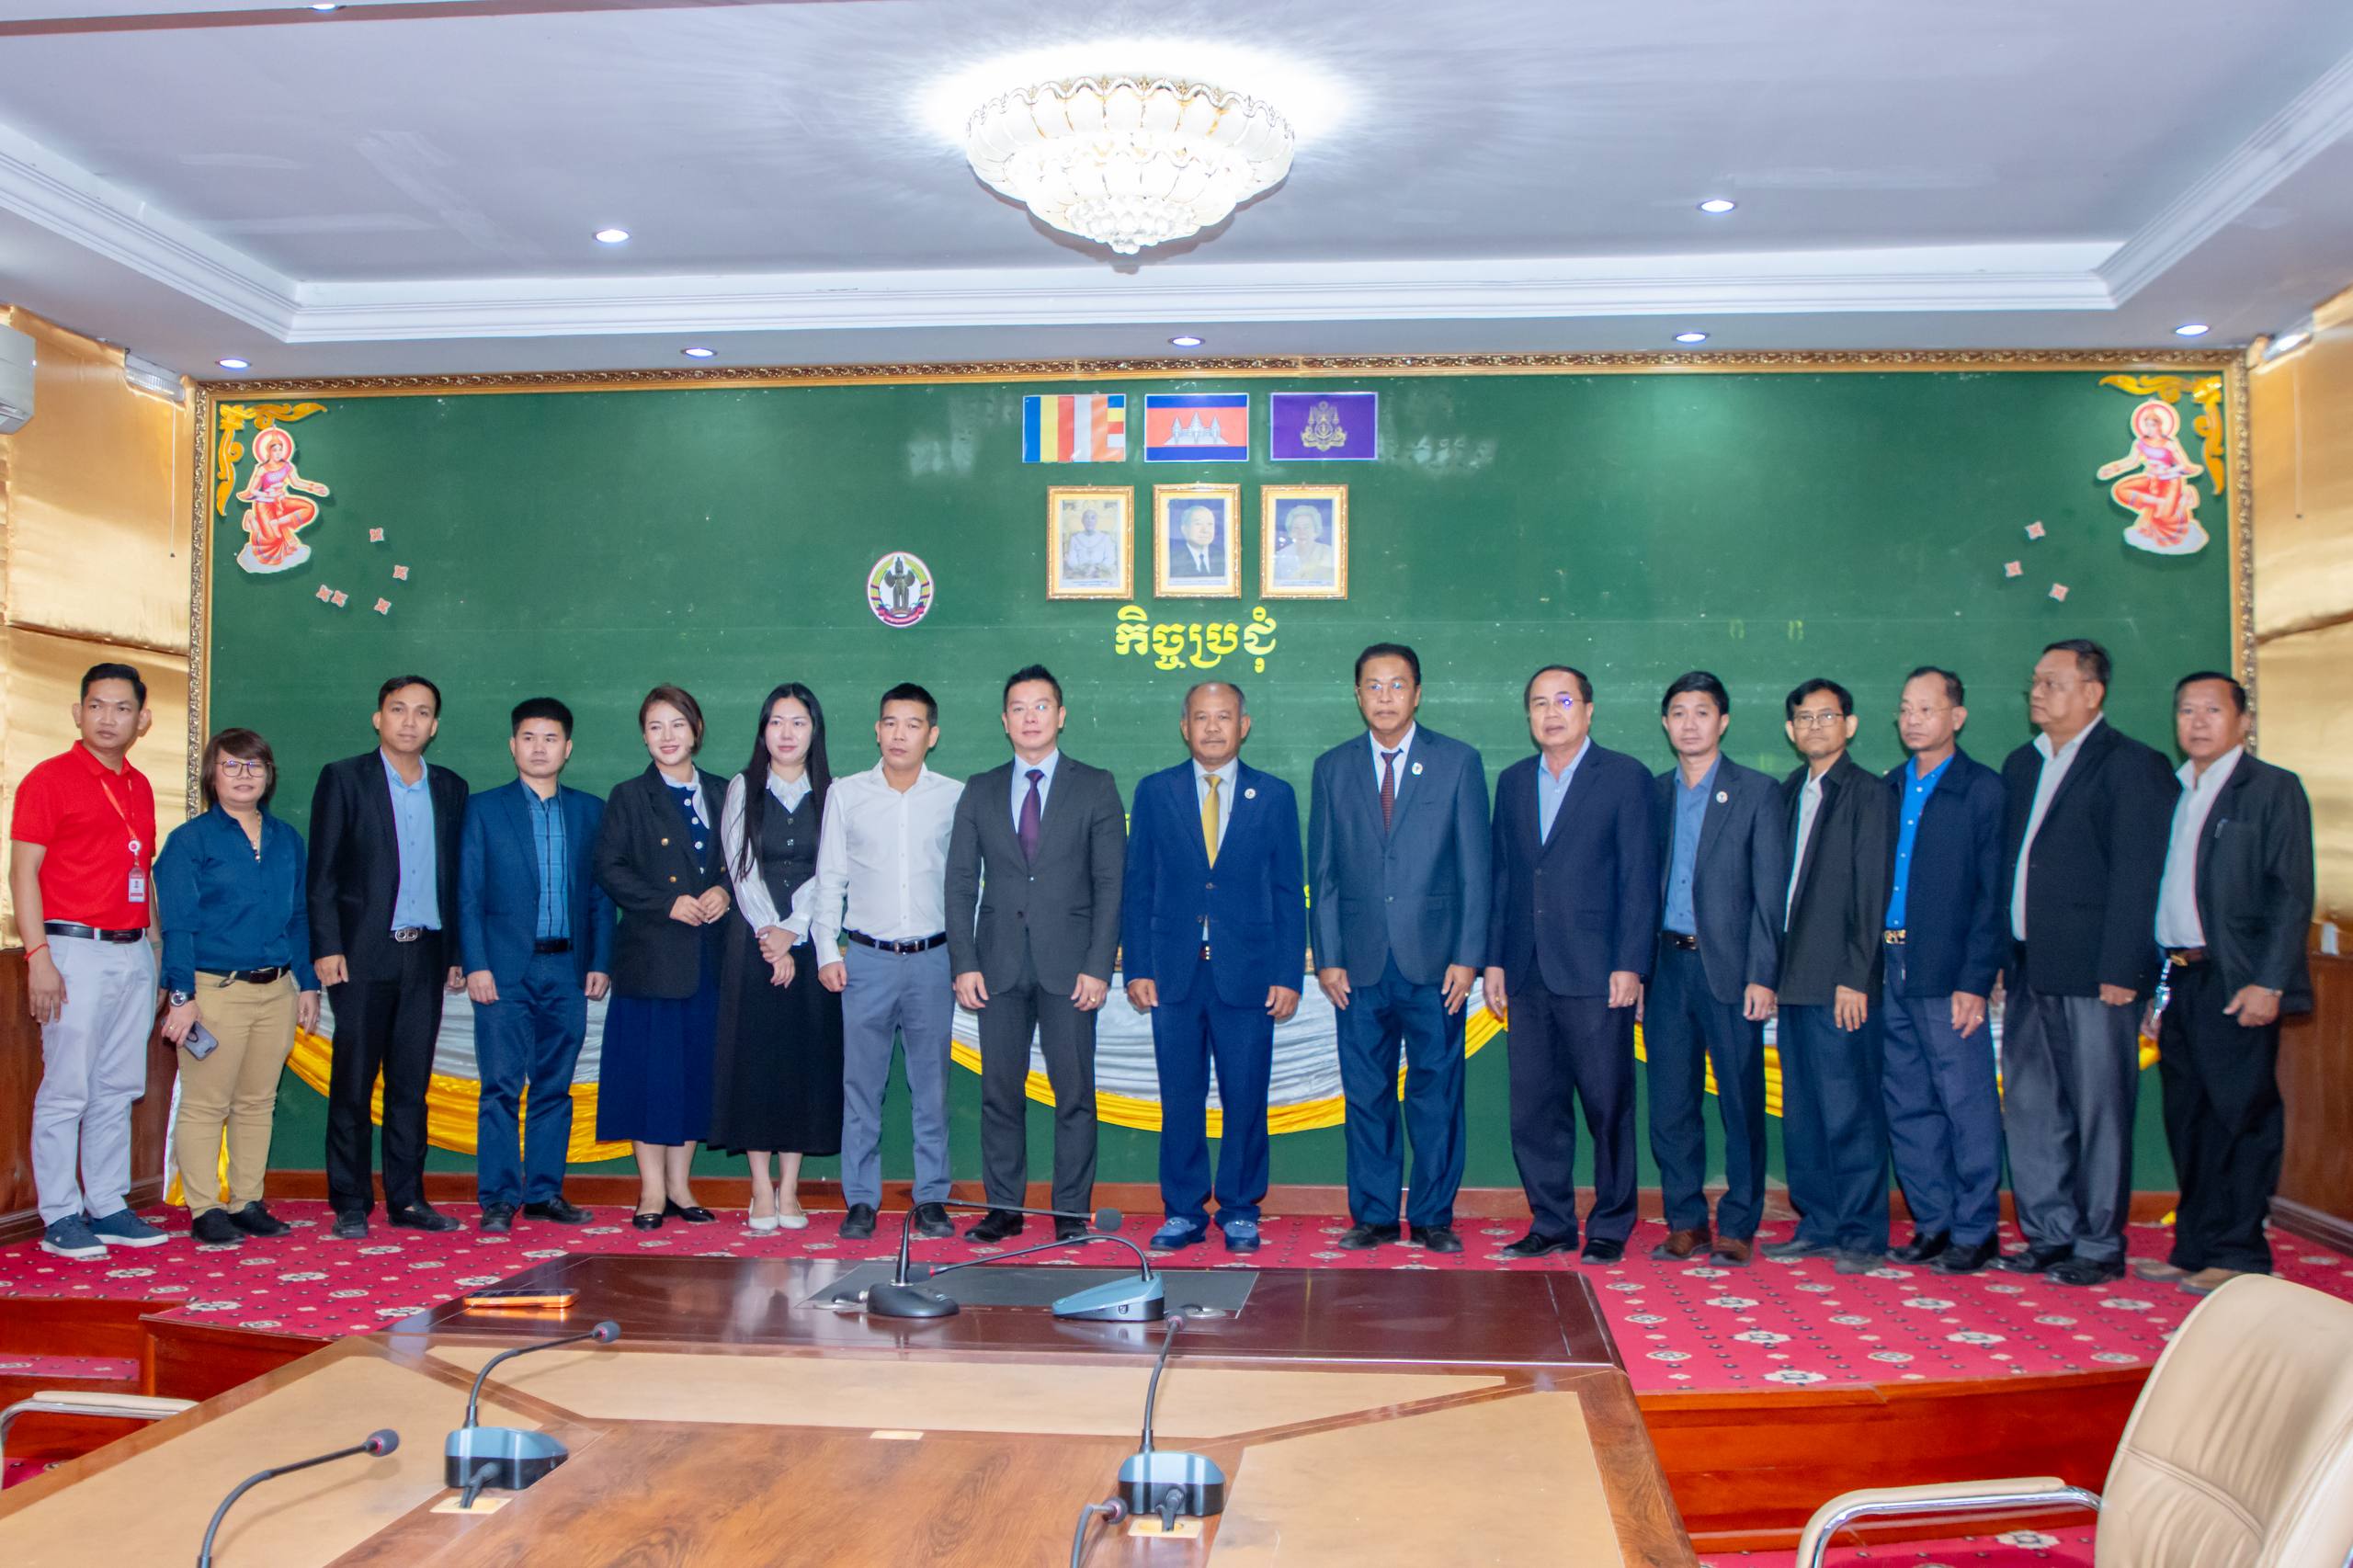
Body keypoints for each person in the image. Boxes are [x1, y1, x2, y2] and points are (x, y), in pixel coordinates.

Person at [1998, 639, 2175, 1286]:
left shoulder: (2133, 765)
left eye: (2053, 682)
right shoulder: (2023, 764)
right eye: (2036, 681)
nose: (2038, 692)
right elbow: (2008, 868)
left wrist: (2125, 969)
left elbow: (2139, 876)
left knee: (2100, 1109)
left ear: (2093, 693)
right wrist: (1998, 957)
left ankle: (2099, 1242)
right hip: (2028, 966)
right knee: (2032, 1106)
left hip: (2097, 975)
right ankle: (2050, 1233)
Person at [1308, 642, 1490, 1253]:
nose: (1385, 697)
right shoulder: (1333, 768)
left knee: (1437, 1093)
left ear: (1417, 693)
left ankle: (1434, 1215)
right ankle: (1376, 1215)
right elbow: (1324, 872)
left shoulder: (1457, 762)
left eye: (1397, 685)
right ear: (1357, 694)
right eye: (1373, 686)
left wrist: (1468, 956)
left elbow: (1475, 870)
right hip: (1357, 966)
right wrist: (1328, 956)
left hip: (1436, 964)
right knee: (1367, 1094)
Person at [2137, 672, 2313, 1295]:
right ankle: (2194, 1247)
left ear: (2243, 721)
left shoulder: (2270, 788)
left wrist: (2270, 982)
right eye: (2187, 710)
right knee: (2190, 1119)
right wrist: (2156, 986)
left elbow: (2291, 894)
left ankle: (2239, 1253)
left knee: (2241, 1118)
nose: (2197, 722)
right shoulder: (2178, 789)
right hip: (2181, 976)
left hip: (2237, 980)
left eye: (2212, 710)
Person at [1483, 665, 1658, 1263]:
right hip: (1526, 970)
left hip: (1597, 970)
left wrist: (1631, 963)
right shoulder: (1513, 782)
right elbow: (1503, 876)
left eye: (1563, 701)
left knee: (1608, 1104)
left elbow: (1639, 877)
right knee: (1535, 1108)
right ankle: (1551, 1221)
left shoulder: (1625, 777)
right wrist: (1494, 960)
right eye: (1539, 703)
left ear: (1588, 710)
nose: (1550, 713)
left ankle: (1611, 1223)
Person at [1122, 681, 1304, 1254]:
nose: (1212, 728)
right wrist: (1137, 966)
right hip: (1174, 974)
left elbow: (1287, 890)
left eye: (1223, 717)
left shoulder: (1274, 796)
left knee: (1245, 1096)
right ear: (1185, 727)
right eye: (1201, 718)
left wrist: (1287, 975)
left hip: (1248, 973)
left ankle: (1241, 1208)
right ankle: (1182, 1210)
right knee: (1180, 1097)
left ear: (1243, 725)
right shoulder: (1155, 792)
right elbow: (1138, 885)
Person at [948, 666, 1126, 1243]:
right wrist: (964, 961)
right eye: (1019, 709)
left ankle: (1070, 1211)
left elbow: (1111, 884)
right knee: (999, 1094)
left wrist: (1099, 966)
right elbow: (959, 883)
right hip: (996, 966)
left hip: (1071, 968)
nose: (1031, 718)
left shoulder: (1095, 785)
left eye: (1042, 706)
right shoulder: (980, 789)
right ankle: (1004, 1208)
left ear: (1061, 715)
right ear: (1005, 721)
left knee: (1074, 1095)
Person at [10, 664, 167, 1260]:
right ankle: (59, 1213)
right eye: (97, 706)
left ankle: (107, 1202)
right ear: (78, 712)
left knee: (118, 1085)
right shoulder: (48, 780)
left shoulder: (140, 786)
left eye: (122, 708)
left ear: (142, 720)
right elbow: (22, 873)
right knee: (67, 1087)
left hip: (132, 951)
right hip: (71, 948)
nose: (108, 718)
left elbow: (141, 871)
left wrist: (155, 952)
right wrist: (39, 958)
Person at [306, 676, 468, 1239]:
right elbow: (322, 874)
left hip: (426, 955)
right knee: (353, 1083)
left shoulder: (450, 787)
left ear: (434, 726)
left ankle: (408, 1199)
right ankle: (351, 1202)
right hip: (360, 956)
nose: (409, 721)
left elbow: (456, 877)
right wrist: (326, 946)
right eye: (398, 709)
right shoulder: (344, 778)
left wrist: (456, 951)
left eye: (422, 712)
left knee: (410, 1086)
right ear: (379, 718)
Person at [811, 683, 965, 1242]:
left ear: (932, 735)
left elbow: (968, 885)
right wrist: (826, 950)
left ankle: (931, 1199)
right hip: (866, 960)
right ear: (877, 731)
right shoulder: (846, 794)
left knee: (932, 1090)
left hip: (933, 959)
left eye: (913, 724)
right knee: (861, 1087)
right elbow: (830, 878)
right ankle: (860, 1199)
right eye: (891, 723)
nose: (900, 734)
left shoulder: (954, 797)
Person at [155, 730, 318, 1246]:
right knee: (206, 1104)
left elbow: (299, 917)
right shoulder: (190, 841)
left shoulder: (287, 839)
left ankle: (246, 1201)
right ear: (212, 774)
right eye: (231, 765)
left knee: (257, 1102)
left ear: (269, 775)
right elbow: (178, 925)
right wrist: (181, 997)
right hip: (214, 991)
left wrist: (308, 985)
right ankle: (205, 1208)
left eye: (254, 766)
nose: (244, 776)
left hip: (277, 989)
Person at [457, 699, 613, 1235]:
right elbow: (467, 894)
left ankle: (544, 1192)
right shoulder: (483, 809)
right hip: (502, 972)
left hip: (567, 968)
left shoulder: (589, 811)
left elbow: (599, 896)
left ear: (567, 749)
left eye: (550, 738)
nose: (539, 748)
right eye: (528, 737)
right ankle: (499, 1197)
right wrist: (475, 964)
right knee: (500, 1086)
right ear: (512, 745)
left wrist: (600, 960)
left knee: (554, 1085)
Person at [1646, 671, 1787, 1267]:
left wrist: (1763, 974)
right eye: (1679, 712)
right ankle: (1685, 1221)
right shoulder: (1653, 794)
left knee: (1739, 1102)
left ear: (1723, 721)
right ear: (1665, 723)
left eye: (1702, 712)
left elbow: (1770, 895)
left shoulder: (1757, 792)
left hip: (1730, 970)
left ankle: (1738, 1223)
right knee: (1671, 1104)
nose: (1690, 723)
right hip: (1666, 967)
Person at [1878, 667, 2009, 1274]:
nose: (1912, 720)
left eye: (1926, 709)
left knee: (1966, 1102)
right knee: (1908, 1103)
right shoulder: (1887, 787)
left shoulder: (1982, 790)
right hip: (1888, 964)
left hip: (1947, 969)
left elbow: (1992, 895)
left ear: (1957, 717)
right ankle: (1933, 1223)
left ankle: (1976, 1230)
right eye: (1906, 708)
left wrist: (1974, 980)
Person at [1764, 678, 1893, 1274]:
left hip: (1840, 983)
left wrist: (1856, 976)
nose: (1815, 727)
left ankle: (1862, 1234)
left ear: (1850, 724)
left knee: (1850, 1112)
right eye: (1804, 718)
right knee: (1806, 1114)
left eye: (1826, 716)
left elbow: (1872, 892)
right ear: (1790, 731)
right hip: (1792, 980)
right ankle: (1818, 1223)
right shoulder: (1788, 792)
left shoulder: (1868, 793)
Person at [593, 685, 731, 1231]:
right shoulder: (629, 796)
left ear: (696, 730)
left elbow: (744, 860)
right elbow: (610, 868)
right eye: (655, 727)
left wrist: (725, 890)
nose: (667, 736)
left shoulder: (725, 791)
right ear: (644, 737)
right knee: (649, 1077)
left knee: (694, 1074)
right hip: (651, 960)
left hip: (709, 961)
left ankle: (680, 1185)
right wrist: (665, 902)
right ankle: (651, 1190)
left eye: (677, 724)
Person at [710, 683, 844, 1233]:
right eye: (776, 722)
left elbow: (831, 871)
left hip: (812, 946)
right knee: (756, 1063)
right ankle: (760, 1188)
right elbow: (740, 867)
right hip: (751, 944)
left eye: (798, 723)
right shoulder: (744, 787)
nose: (786, 734)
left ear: (815, 731)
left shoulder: (833, 792)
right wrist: (770, 934)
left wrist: (793, 931)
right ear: (763, 730)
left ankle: (790, 1190)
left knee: (801, 1065)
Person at [1272, 506, 1336, 586]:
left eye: (1307, 527)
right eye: (1296, 528)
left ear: (1316, 529)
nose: (1302, 532)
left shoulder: (1330, 553)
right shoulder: (1281, 556)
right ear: (1290, 532)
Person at [1167, 505, 1224, 581]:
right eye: (1198, 524)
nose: (1205, 530)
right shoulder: (1172, 559)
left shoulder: (1223, 556)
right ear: (1184, 529)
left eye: (1210, 524)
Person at [1062, 508, 1118, 583]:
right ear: (1082, 521)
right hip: (1079, 574)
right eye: (1086, 518)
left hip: (1101, 573)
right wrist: (1082, 569)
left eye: (1092, 518)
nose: (1089, 521)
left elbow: (1110, 558)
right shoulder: (1075, 538)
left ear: (1096, 521)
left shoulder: (1105, 537)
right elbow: (1072, 558)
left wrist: (1097, 569)